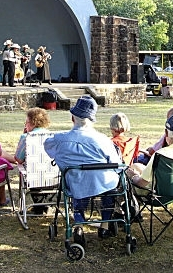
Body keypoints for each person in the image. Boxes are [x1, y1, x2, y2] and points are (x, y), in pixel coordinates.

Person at [44, 95, 122, 238]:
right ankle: (105, 224)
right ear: (92, 119)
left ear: (72, 118)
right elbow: (117, 165)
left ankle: (78, 224)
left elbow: (49, 149)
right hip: (103, 182)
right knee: (109, 185)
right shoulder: (103, 140)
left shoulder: (59, 139)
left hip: (76, 183)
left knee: (78, 182)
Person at [126, 114, 173, 190]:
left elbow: (142, 183)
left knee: (129, 173)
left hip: (157, 193)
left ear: (166, 133)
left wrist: (133, 176)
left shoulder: (161, 154)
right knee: (136, 166)